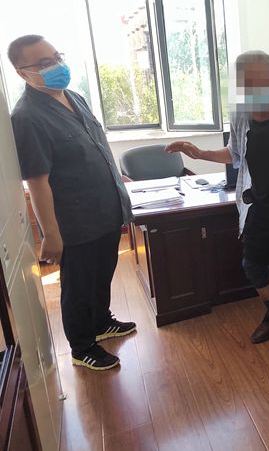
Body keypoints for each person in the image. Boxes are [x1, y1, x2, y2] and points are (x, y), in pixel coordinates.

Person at [166, 50, 269, 355]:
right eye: (246, 83)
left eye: (261, 81)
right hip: (258, 206)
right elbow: (234, 154)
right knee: (252, 262)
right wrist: (201, 154)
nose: (254, 89)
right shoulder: (239, 115)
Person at [9, 35, 136, 371]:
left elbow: (95, 146)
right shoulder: (27, 117)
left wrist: (116, 177)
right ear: (23, 73)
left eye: (56, 57)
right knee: (78, 284)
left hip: (107, 208)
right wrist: (51, 234)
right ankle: (82, 346)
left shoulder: (73, 97)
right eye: (44, 63)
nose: (56, 66)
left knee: (103, 272)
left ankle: (101, 321)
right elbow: (37, 181)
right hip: (76, 220)